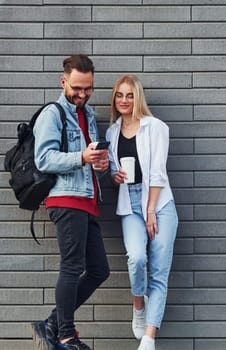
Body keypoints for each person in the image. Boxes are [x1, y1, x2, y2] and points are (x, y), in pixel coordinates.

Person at [30, 54, 110, 350]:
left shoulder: (87, 114)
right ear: (63, 81)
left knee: (99, 270)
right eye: (77, 88)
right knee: (72, 266)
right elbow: (44, 158)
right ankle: (64, 336)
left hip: (87, 199)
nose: (82, 94)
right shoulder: (54, 113)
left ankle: (51, 323)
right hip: (65, 199)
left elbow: (89, 155)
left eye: (88, 88)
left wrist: (98, 163)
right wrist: (81, 158)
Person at [105, 75, 178, 350]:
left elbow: (158, 172)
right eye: (119, 95)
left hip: (159, 205)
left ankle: (149, 338)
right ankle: (139, 305)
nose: (124, 100)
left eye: (130, 95)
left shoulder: (155, 127)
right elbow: (114, 171)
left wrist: (151, 210)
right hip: (129, 205)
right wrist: (115, 177)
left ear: (138, 98)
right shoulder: (112, 132)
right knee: (136, 258)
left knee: (159, 271)